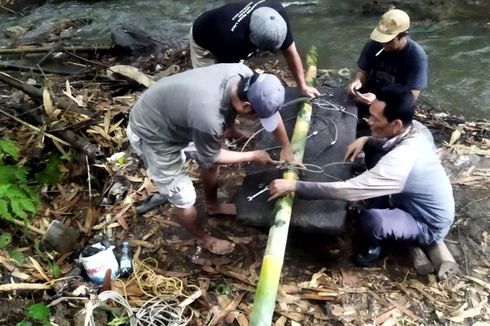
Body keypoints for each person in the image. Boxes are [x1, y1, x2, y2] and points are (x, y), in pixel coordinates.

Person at [268, 84, 454, 266]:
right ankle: (383, 202)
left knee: (372, 219)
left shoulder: (401, 162)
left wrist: (294, 186)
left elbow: (348, 191)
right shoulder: (416, 129)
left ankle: (374, 246)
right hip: (407, 197)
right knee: (374, 147)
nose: (368, 121)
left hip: (425, 222)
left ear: (396, 124)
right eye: (370, 114)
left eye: (375, 119)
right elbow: (386, 142)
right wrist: (366, 139)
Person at [127, 63, 296, 255]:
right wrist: (252, 155)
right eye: (257, 116)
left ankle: (213, 206)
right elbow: (212, 156)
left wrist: (286, 147)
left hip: (176, 113)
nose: (259, 120)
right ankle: (203, 239)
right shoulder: (209, 117)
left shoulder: (245, 77)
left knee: (208, 161)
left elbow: (268, 111)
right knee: (184, 197)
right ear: (246, 106)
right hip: (153, 133)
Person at [190, 0, 319, 98]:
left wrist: (302, 87)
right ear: (251, 36)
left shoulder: (277, 15)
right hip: (204, 41)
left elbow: (291, 53)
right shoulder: (230, 40)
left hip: (227, 28)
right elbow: (228, 80)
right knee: (211, 90)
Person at [346, 9, 428, 117]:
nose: (384, 44)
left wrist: (379, 102)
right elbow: (363, 71)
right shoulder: (373, 45)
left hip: (394, 104)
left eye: (389, 41)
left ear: (403, 35)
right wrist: (358, 81)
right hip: (370, 95)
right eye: (382, 39)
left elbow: (411, 97)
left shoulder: (416, 56)